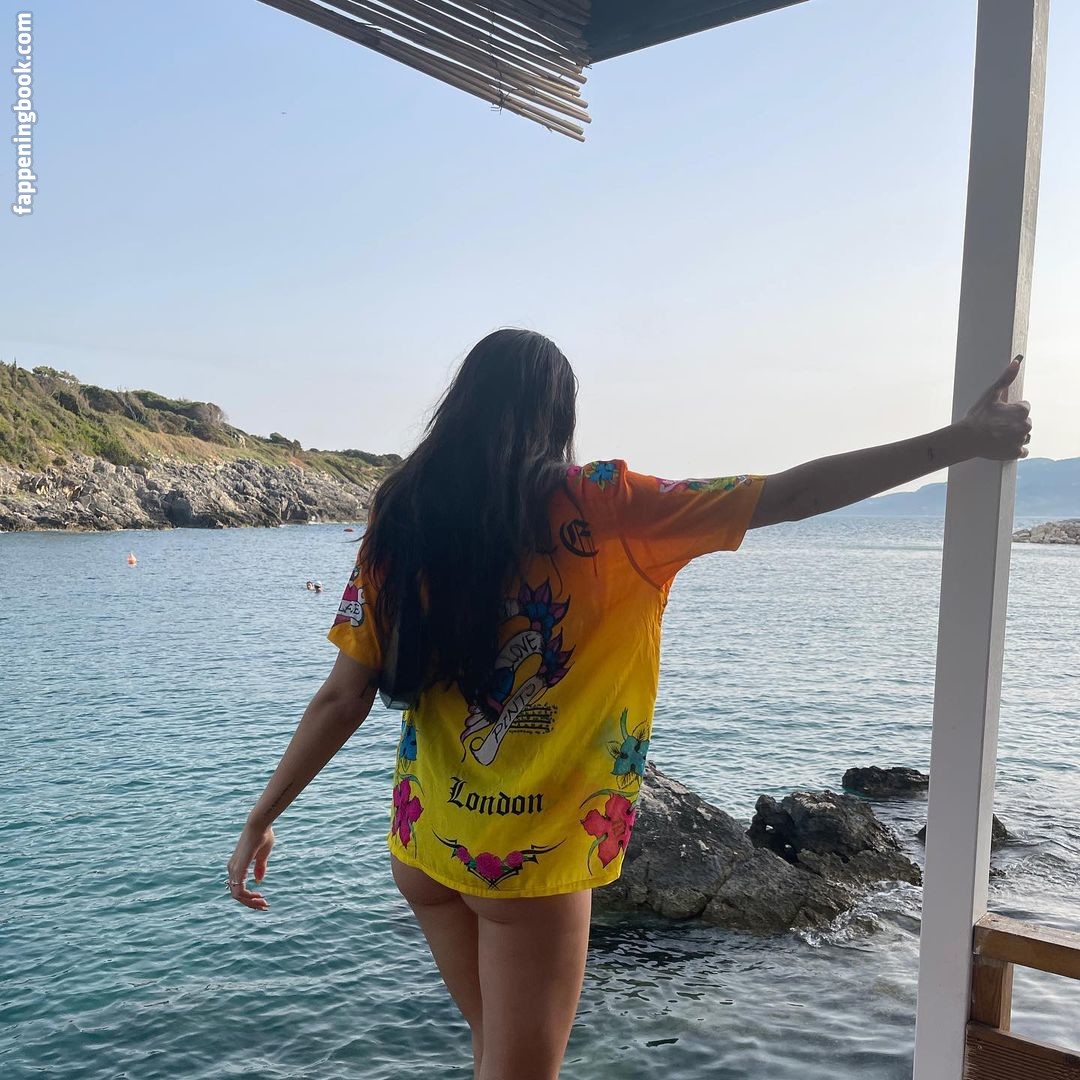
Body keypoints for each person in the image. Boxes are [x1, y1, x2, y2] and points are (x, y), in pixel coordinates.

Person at [227, 329, 1031, 1080]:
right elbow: (791, 492)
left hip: (426, 844)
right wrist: (961, 440)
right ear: (557, 417)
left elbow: (343, 696)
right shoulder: (608, 507)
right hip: (531, 862)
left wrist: (263, 816)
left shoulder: (404, 517)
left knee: (495, 1053)